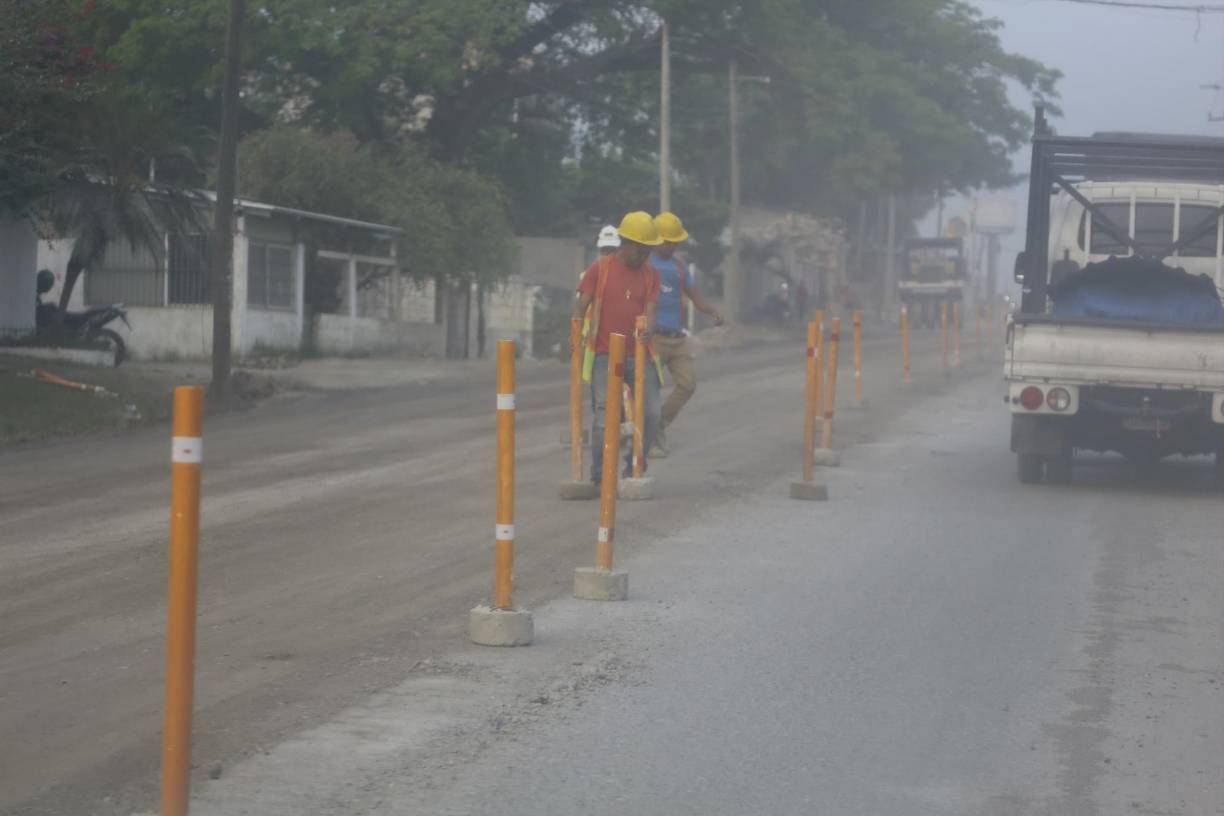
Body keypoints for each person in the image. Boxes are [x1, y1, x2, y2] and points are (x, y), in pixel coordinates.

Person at [572, 211, 662, 482]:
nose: (646, 255)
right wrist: (575, 333)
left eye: (649, 250)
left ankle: (634, 464)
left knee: (652, 413)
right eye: (642, 249)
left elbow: (651, 312)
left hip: (639, 353)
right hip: (604, 354)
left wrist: (649, 331)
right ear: (627, 243)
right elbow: (582, 304)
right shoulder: (600, 269)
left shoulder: (651, 275)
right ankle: (599, 473)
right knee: (605, 416)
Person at [649, 211, 723, 457]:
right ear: (657, 239)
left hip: (677, 339)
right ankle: (647, 437)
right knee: (648, 390)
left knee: (688, 385)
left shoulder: (679, 267)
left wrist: (712, 311)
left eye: (675, 241)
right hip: (653, 338)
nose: (673, 245)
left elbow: (696, 297)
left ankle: (658, 424)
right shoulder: (645, 265)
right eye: (670, 241)